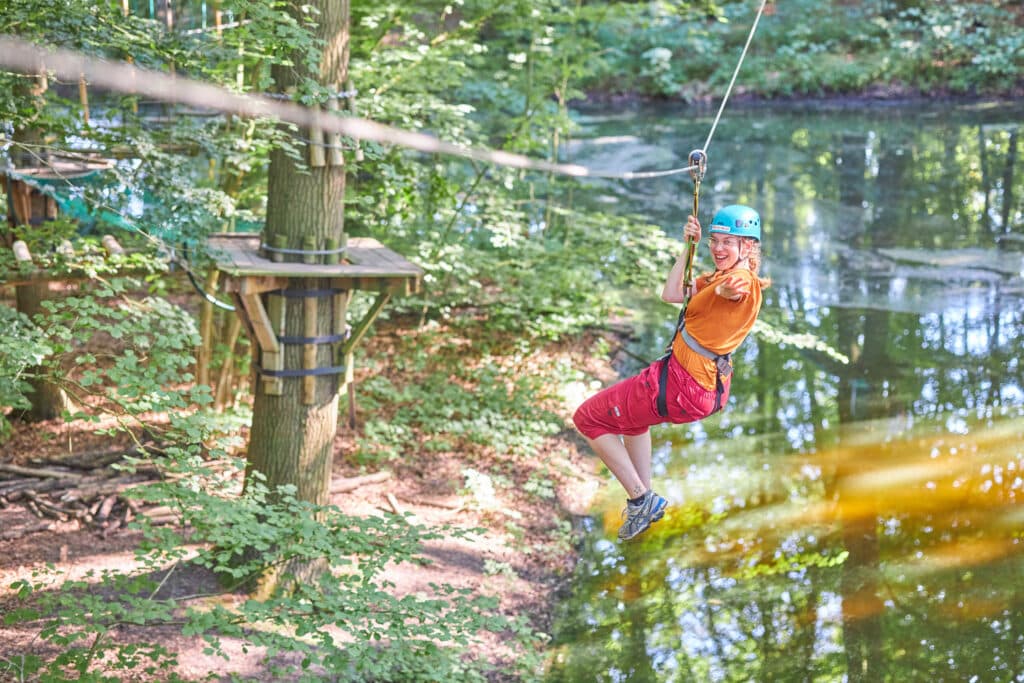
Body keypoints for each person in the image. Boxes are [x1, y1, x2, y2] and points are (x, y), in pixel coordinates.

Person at [573, 204, 769, 541]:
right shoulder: (717, 277)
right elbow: (672, 294)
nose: (719, 249)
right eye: (714, 241)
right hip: (688, 383)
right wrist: (688, 247)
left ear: (747, 247)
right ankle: (643, 499)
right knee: (632, 422)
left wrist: (723, 291)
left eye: (729, 243)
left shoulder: (741, 281)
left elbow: (736, 289)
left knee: (587, 418)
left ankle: (640, 498)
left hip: (685, 384)